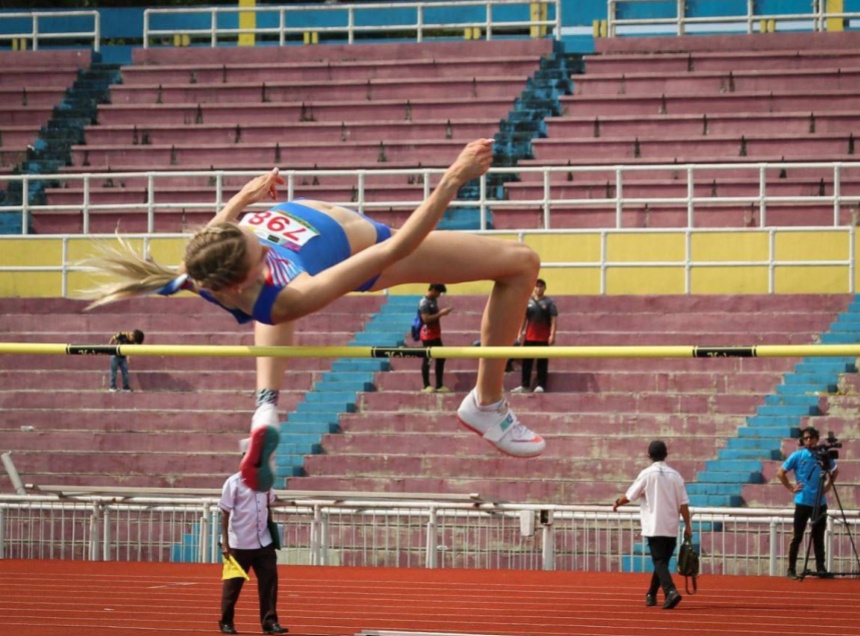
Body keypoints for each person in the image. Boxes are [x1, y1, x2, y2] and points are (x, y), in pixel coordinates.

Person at [80, 139, 546, 489]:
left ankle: (265, 411)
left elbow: (217, 229)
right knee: (521, 263)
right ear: (242, 282)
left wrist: (244, 199)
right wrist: (453, 179)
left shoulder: (206, 262)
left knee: (271, 306)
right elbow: (399, 247)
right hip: (374, 246)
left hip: (294, 262)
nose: (263, 243)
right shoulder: (293, 292)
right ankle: (486, 405)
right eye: (260, 251)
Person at [613, 440, 692, 610]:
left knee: (659, 561)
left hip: (654, 525)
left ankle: (671, 591)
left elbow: (630, 495)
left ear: (649, 455)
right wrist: (688, 525)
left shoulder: (647, 474)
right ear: (666, 454)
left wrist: (617, 502)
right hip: (671, 526)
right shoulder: (676, 476)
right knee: (661, 562)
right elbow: (684, 504)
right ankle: (651, 594)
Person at [219, 467, 287, 635]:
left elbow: (268, 505)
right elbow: (225, 512)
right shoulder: (234, 482)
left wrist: (272, 531)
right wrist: (225, 543)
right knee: (233, 585)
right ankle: (226, 621)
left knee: (269, 582)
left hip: (264, 541)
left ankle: (269, 622)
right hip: (239, 543)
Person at [776, 425, 838, 580]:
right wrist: (791, 488)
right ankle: (791, 569)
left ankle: (820, 568)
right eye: (806, 438)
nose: (809, 440)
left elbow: (835, 471)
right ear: (803, 441)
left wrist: (827, 487)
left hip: (819, 502)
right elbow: (780, 473)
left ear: (817, 439)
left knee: (818, 536)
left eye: (811, 438)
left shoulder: (823, 455)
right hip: (803, 501)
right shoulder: (798, 456)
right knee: (797, 536)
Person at [511, 278, 557, 393]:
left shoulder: (549, 303)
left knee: (542, 363)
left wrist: (552, 335)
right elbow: (524, 319)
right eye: (537, 286)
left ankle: (541, 385)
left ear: (545, 288)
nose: (538, 288)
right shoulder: (528, 302)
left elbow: (553, 320)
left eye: (541, 286)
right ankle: (525, 386)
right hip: (529, 338)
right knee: (527, 362)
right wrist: (520, 333)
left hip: (543, 338)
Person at [418, 283, 452, 393]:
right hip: (427, 335)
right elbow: (426, 319)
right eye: (438, 292)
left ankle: (439, 385)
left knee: (441, 357)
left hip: (435, 334)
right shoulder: (424, 302)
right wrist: (441, 313)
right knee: (428, 358)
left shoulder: (433, 301)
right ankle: (426, 385)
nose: (439, 295)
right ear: (433, 289)